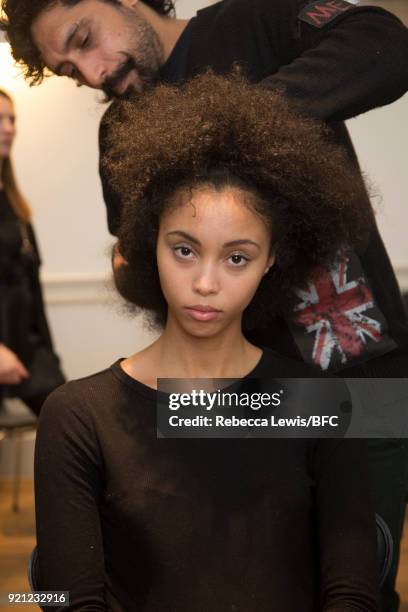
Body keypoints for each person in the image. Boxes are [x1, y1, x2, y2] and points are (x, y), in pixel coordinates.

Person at [2, 1, 407, 608]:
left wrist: (229, 128)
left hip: (360, 379)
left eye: (84, 39)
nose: (91, 73)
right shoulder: (119, 130)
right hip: (235, 395)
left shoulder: (253, 23)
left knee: (355, 575)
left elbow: (384, 42)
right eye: (69, 69)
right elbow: (64, 592)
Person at [0, 89, 64, 416]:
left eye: (12, 119)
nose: (10, 128)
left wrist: (50, 357)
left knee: (68, 414)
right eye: (0, 119)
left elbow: (32, 289)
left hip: (28, 347)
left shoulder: (13, 203)